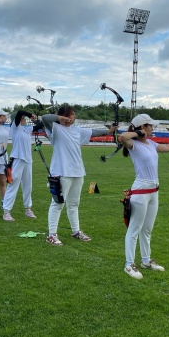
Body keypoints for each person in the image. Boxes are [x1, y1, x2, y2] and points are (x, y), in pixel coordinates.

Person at [119, 114, 169, 280]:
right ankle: (129, 264)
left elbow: (168, 148)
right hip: (141, 190)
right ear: (143, 127)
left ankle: (146, 260)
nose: (153, 128)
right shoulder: (133, 144)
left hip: (153, 191)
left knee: (147, 229)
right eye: (150, 126)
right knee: (134, 228)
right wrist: (138, 133)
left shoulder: (151, 143)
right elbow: (122, 137)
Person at [41, 105, 117, 246]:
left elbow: (94, 132)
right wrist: (60, 118)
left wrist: (109, 131)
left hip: (78, 172)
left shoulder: (76, 130)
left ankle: (76, 231)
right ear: (65, 115)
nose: (75, 116)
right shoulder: (54, 129)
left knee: (74, 204)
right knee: (58, 203)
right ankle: (51, 235)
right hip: (62, 172)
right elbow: (44, 118)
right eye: (72, 114)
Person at [2, 109, 42, 221]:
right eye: (24, 118)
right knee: (13, 184)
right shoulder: (15, 127)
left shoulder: (26, 129)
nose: (25, 119)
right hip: (18, 159)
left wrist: (37, 119)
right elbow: (19, 112)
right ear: (19, 119)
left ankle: (28, 209)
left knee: (28, 185)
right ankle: (6, 211)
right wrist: (30, 115)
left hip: (28, 160)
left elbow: (39, 126)